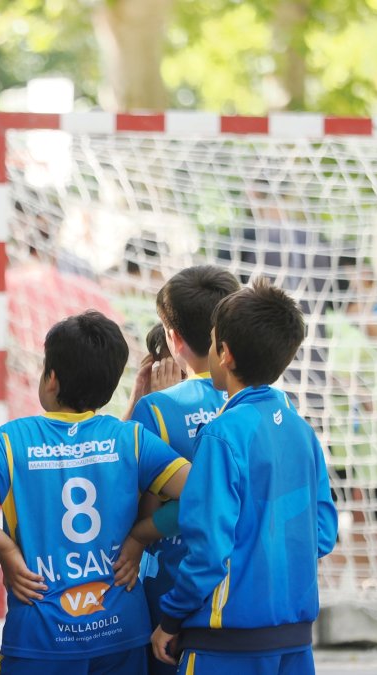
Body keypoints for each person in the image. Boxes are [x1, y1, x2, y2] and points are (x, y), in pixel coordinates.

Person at [0, 311, 190, 675]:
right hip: (119, 632)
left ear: (51, 379)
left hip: (40, 637)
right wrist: (140, 536)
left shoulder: (12, 441)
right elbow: (202, 494)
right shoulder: (131, 440)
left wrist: (5, 550)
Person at [151, 281, 339, 674]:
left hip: (225, 643)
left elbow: (208, 550)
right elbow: (322, 533)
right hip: (294, 641)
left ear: (226, 354)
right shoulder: (301, 431)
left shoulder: (221, 435)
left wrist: (169, 619)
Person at [120, 265, 240, 675]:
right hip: (244, 587)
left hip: (174, 591)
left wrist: (138, 404)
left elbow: (130, 505)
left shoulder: (157, 408)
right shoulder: (268, 401)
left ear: (171, 338)